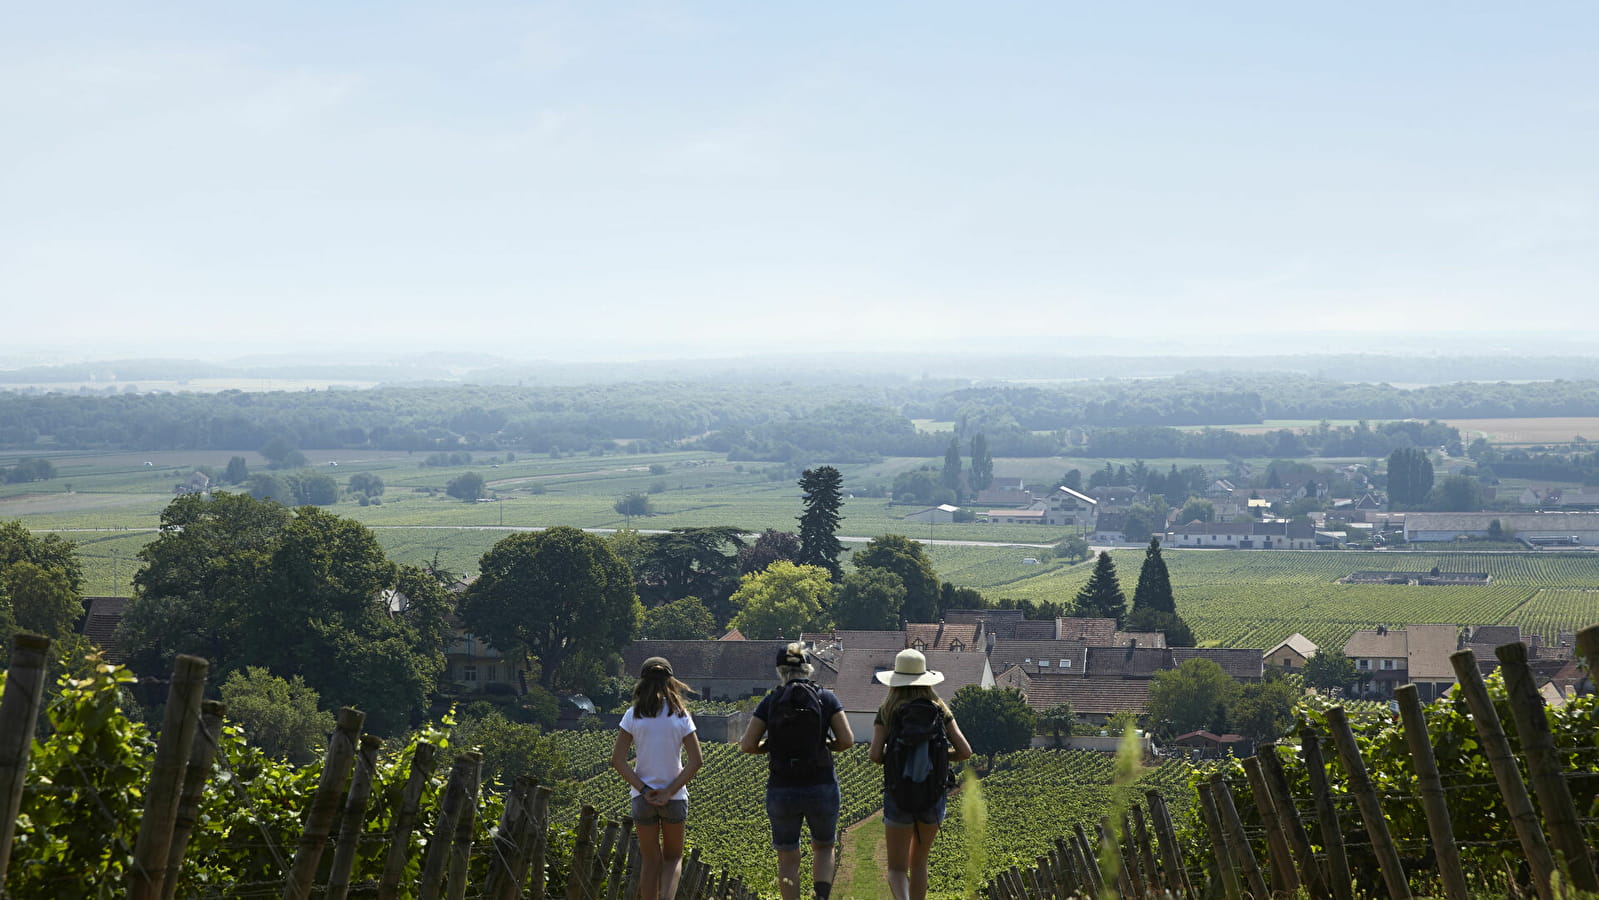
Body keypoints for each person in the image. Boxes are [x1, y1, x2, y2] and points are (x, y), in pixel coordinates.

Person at [739, 642, 854, 900]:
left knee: (787, 856)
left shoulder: (771, 701)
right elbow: (847, 740)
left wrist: (769, 747)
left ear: (780, 670)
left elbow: (747, 745)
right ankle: (821, 897)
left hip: (782, 786)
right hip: (821, 783)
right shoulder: (825, 698)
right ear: (808, 668)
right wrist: (824, 746)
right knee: (824, 847)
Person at [869, 648, 973, 900]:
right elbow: (965, 752)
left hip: (899, 793)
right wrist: (938, 758)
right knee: (919, 862)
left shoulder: (888, 709)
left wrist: (895, 758)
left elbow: (874, 755)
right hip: (932, 796)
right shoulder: (939, 709)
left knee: (896, 868)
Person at [611, 656, 703, 900]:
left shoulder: (632, 715)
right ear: (671, 682)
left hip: (643, 799)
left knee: (650, 860)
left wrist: (644, 790)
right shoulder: (681, 715)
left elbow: (617, 760)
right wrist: (668, 792)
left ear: (641, 683)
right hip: (674, 798)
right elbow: (696, 761)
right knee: (673, 857)